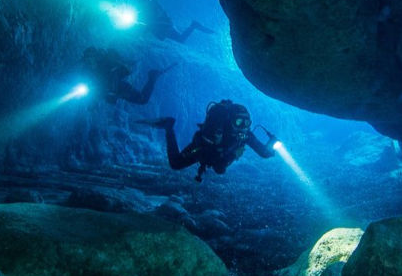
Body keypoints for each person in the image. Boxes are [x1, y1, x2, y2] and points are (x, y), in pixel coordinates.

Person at [139, 100, 278, 182]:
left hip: (218, 154)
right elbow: (218, 166)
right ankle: (169, 126)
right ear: (230, 121)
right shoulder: (216, 132)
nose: (242, 127)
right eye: (239, 121)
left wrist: (272, 143)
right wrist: (234, 154)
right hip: (204, 148)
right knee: (175, 163)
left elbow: (264, 153)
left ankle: (168, 125)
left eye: (246, 122)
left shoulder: (245, 134)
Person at [81, 47, 174, 105]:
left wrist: (116, 95)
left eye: (90, 59)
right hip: (111, 88)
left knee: (143, 100)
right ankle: (152, 76)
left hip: (119, 86)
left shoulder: (105, 63)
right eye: (87, 61)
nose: (89, 63)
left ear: (95, 57)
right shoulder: (88, 69)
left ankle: (152, 77)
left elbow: (115, 75)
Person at [143, 0, 215, 44]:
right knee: (180, 39)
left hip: (165, 26)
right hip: (162, 27)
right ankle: (192, 26)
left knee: (180, 39)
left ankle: (193, 25)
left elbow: (160, 15)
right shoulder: (150, 7)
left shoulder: (154, 5)